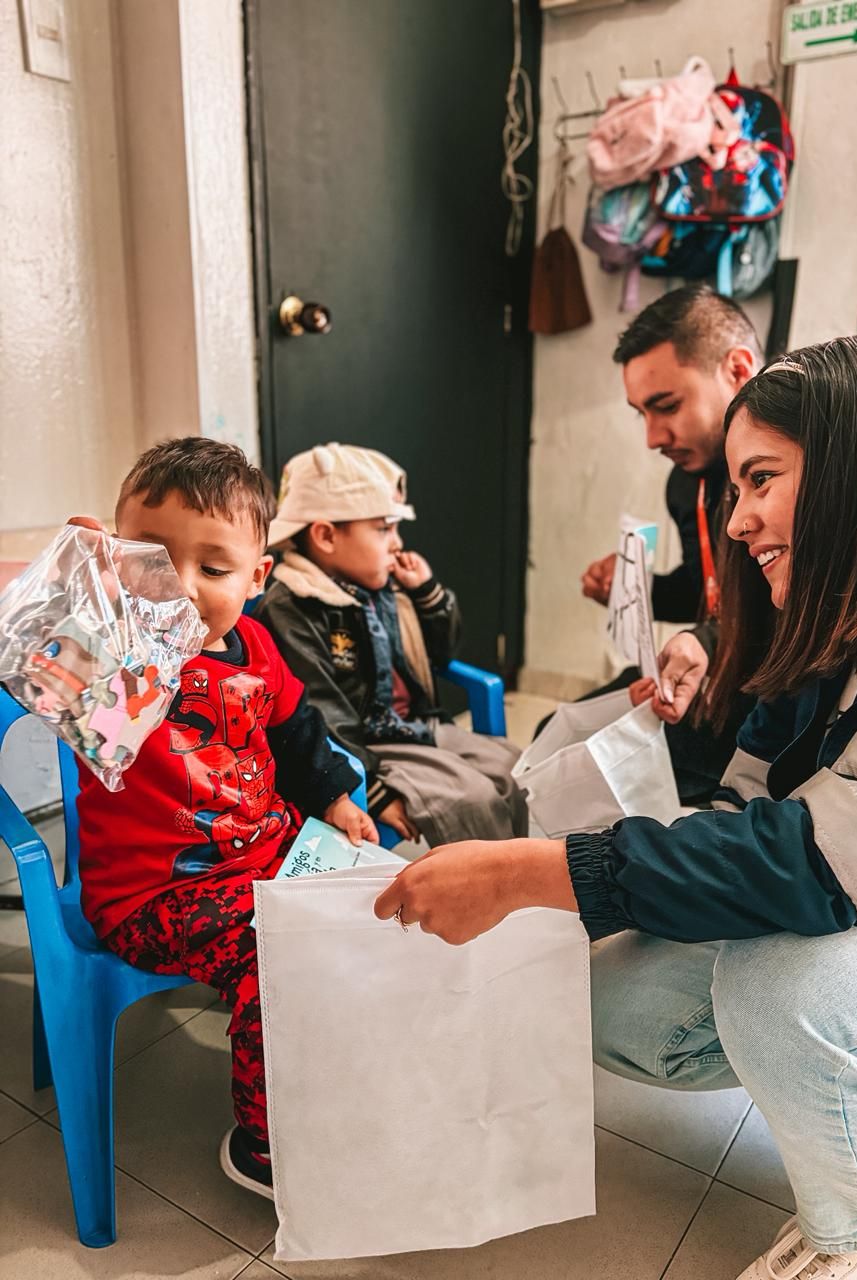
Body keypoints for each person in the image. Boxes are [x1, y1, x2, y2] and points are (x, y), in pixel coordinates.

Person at [374, 334, 857, 1280]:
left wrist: (540, 873)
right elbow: (747, 795)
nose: (739, 521)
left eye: (761, 480)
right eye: (734, 490)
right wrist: (594, 891)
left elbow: (833, 858)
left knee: (788, 990)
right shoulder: (838, 602)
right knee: (619, 1000)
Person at [74, 437, 376, 1200]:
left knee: (380, 907)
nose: (178, 586)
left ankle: (346, 1074)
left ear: (256, 577)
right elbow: (55, 678)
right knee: (280, 956)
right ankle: (265, 1144)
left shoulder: (257, 646)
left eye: (212, 570)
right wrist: (76, 594)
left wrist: (335, 797)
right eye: (151, 559)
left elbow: (297, 729)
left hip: (266, 850)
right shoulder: (111, 647)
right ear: (118, 559)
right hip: (154, 894)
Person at [255, 443, 527, 846]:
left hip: (413, 725)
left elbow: (442, 653)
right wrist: (374, 788)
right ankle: (487, 881)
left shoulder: (383, 586)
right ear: (326, 536)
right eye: (384, 529)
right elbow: (322, 714)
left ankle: (521, 868)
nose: (397, 544)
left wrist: (427, 593)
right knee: (473, 799)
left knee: (517, 768)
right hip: (365, 746)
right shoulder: (292, 606)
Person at [574, 284, 761, 802]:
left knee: (608, 775)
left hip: (769, 701)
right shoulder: (687, 481)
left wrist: (706, 640)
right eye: (642, 413)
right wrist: (636, 589)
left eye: (667, 406)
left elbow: (791, 613)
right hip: (717, 674)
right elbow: (710, 590)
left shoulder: (796, 475)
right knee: (566, 736)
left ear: (738, 370)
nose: (653, 437)